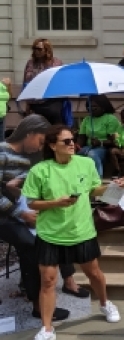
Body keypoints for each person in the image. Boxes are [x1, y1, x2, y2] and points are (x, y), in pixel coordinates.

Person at [24, 125, 123, 340]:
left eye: (73, 140)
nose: (72, 144)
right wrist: (55, 203)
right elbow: (31, 204)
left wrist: (111, 187)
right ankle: (47, 328)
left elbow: (94, 189)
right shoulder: (40, 170)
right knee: (48, 281)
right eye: (66, 141)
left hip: (82, 231)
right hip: (50, 234)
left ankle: (105, 304)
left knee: (94, 273)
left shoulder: (86, 164)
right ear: (52, 145)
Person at [0, 116, 84, 327]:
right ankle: (39, 305)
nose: (40, 146)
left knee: (58, 230)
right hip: (5, 217)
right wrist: (22, 215)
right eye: (40, 140)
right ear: (29, 133)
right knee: (31, 245)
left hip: (24, 210)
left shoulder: (31, 157)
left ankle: (67, 281)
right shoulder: (2, 152)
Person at [76, 95, 120, 177]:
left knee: (92, 154)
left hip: (104, 148)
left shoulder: (110, 119)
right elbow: (81, 137)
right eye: (88, 106)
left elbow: (114, 141)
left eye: (94, 106)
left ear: (103, 107)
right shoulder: (87, 119)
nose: (90, 108)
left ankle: (98, 177)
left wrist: (100, 143)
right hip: (88, 147)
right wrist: (77, 146)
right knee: (76, 155)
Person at [23, 39, 64, 124]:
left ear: (47, 50)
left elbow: (59, 83)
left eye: (39, 49)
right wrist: (27, 103)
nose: (36, 51)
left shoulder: (56, 63)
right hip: (34, 103)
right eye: (34, 48)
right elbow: (25, 83)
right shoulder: (30, 63)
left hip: (51, 102)